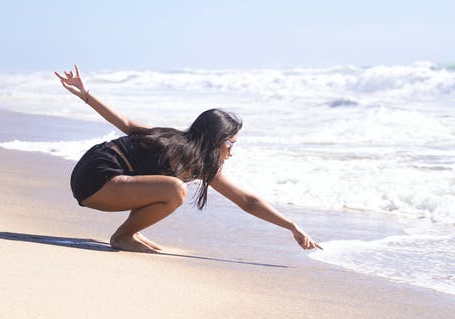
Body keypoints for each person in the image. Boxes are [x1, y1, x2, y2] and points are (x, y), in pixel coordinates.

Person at [55, 65, 322, 253]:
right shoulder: (174, 143)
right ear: (216, 140)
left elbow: (248, 201)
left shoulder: (201, 163)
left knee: (169, 188)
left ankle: (129, 232)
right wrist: (86, 94)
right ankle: (123, 236)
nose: (232, 151)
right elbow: (124, 123)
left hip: (96, 176)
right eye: (230, 144)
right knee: (175, 189)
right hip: (97, 176)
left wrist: (291, 226)